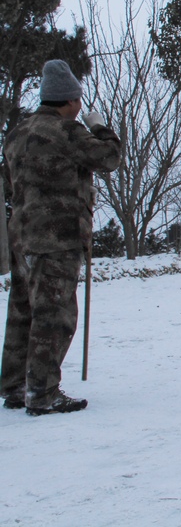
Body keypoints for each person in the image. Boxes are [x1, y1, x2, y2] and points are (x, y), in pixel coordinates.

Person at [0, 60, 122, 416]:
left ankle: (14, 385)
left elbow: (9, 183)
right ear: (69, 101)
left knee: (23, 308)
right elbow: (110, 158)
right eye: (78, 101)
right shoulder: (66, 132)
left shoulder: (17, 133)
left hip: (21, 236)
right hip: (57, 237)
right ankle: (42, 392)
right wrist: (100, 127)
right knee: (54, 314)